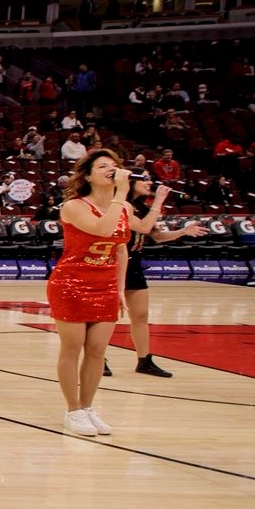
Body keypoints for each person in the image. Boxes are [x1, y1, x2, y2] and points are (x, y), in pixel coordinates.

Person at [45, 149, 130, 437]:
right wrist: (122, 193)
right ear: (89, 176)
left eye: (114, 165)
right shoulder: (74, 206)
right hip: (71, 282)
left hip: (105, 284)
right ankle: (73, 410)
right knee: (72, 348)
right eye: (103, 166)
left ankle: (88, 407)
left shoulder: (124, 207)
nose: (110, 169)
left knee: (97, 351)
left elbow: (120, 249)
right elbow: (103, 230)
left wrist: (120, 289)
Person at [106, 175, 208, 379]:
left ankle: (144, 360)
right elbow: (143, 227)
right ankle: (99, 358)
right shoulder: (119, 205)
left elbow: (157, 236)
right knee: (107, 316)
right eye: (143, 179)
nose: (149, 183)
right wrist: (159, 201)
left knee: (141, 315)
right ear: (130, 181)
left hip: (134, 263)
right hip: (113, 262)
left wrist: (183, 231)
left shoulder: (143, 208)